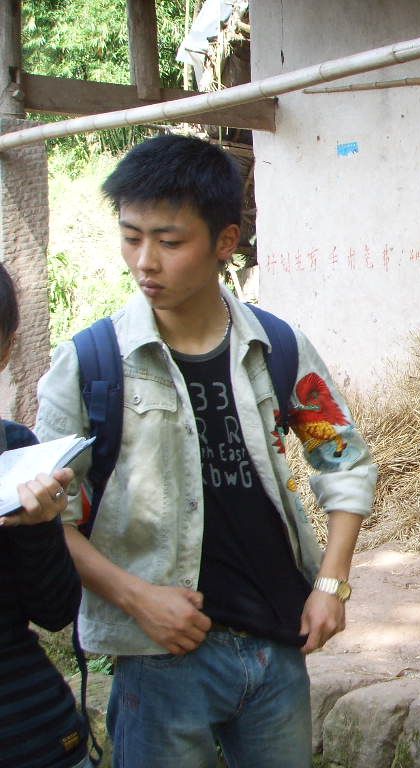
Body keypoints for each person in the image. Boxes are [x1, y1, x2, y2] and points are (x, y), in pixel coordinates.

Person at [34, 134, 377, 768]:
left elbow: (344, 460)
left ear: (225, 242)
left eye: (169, 242)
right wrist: (137, 599)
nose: (145, 262)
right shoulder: (90, 365)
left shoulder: (276, 347)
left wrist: (331, 583)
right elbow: (49, 520)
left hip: (276, 644)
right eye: (131, 237)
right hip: (158, 659)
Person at [0, 263, 90, 768]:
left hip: (33, 735)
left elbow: (56, 612)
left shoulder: (16, 452)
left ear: (5, 349)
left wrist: (38, 530)